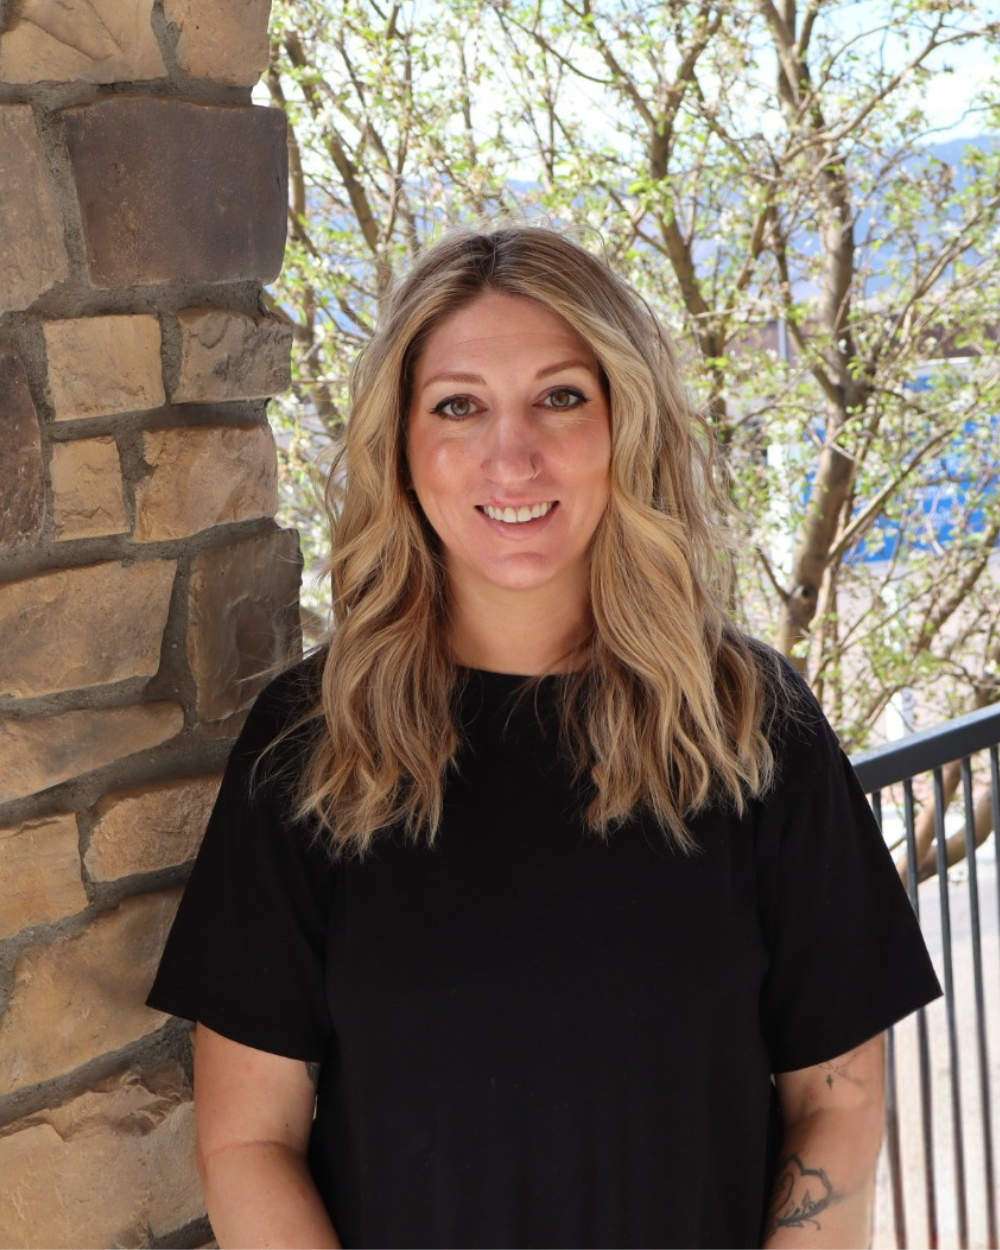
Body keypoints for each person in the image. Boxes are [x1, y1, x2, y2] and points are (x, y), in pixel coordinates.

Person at [147, 224, 942, 1250]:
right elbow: (249, 1140)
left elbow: (834, 1102)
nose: (510, 454)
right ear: (401, 443)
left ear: (626, 421)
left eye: (560, 396)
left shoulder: (751, 722)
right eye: (458, 404)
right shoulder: (311, 744)